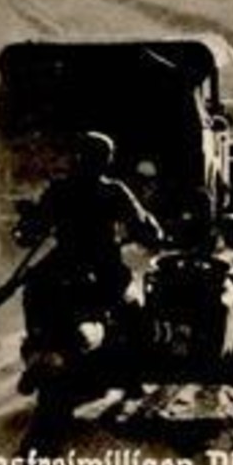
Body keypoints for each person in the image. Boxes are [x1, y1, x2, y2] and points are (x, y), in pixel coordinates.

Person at [20, 131, 165, 334]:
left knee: (35, 291)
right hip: (103, 265)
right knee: (137, 319)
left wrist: (27, 227)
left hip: (65, 261)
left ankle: (37, 341)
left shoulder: (59, 190)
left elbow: (32, 228)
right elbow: (142, 225)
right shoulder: (113, 191)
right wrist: (154, 237)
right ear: (106, 160)